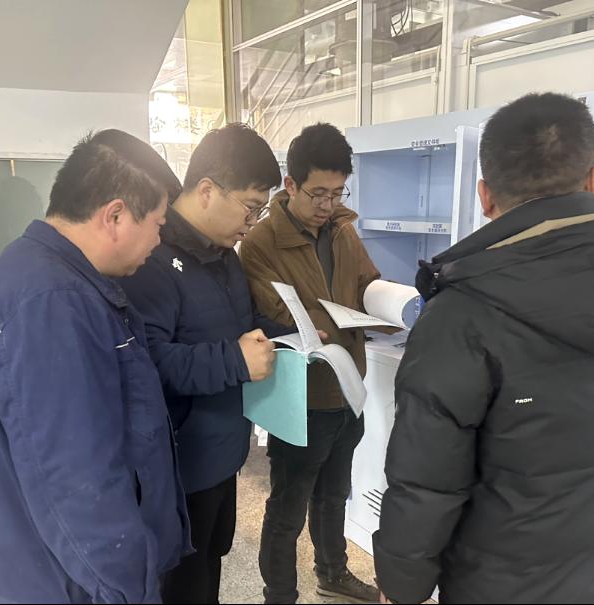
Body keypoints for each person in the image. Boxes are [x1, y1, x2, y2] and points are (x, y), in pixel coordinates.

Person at [373, 93, 594, 604]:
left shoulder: (459, 315)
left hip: (513, 583)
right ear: (592, 181)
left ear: (485, 195)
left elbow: (426, 480)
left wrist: (401, 587)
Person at [0, 129, 191, 604]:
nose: (159, 241)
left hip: (48, 573)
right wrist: (132, 590)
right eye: (158, 224)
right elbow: (77, 486)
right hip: (67, 586)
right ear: (116, 216)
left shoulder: (38, 275)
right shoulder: (52, 305)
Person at [117, 123, 290, 604]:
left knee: (209, 568)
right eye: (250, 207)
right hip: (180, 466)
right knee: (181, 584)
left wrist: (289, 337)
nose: (252, 223)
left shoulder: (224, 254)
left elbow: (239, 325)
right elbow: (147, 362)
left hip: (222, 454)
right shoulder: (152, 256)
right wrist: (234, 360)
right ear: (208, 190)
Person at [239, 122, 381, 605]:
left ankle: (333, 574)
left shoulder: (343, 229)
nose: (328, 205)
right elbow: (273, 313)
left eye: (338, 193)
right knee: (288, 507)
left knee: (334, 495)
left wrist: (386, 305)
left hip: (347, 389)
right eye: (318, 193)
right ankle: (279, 594)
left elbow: (366, 282)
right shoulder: (261, 242)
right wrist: (330, 323)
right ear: (291, 184)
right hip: (302, 397)